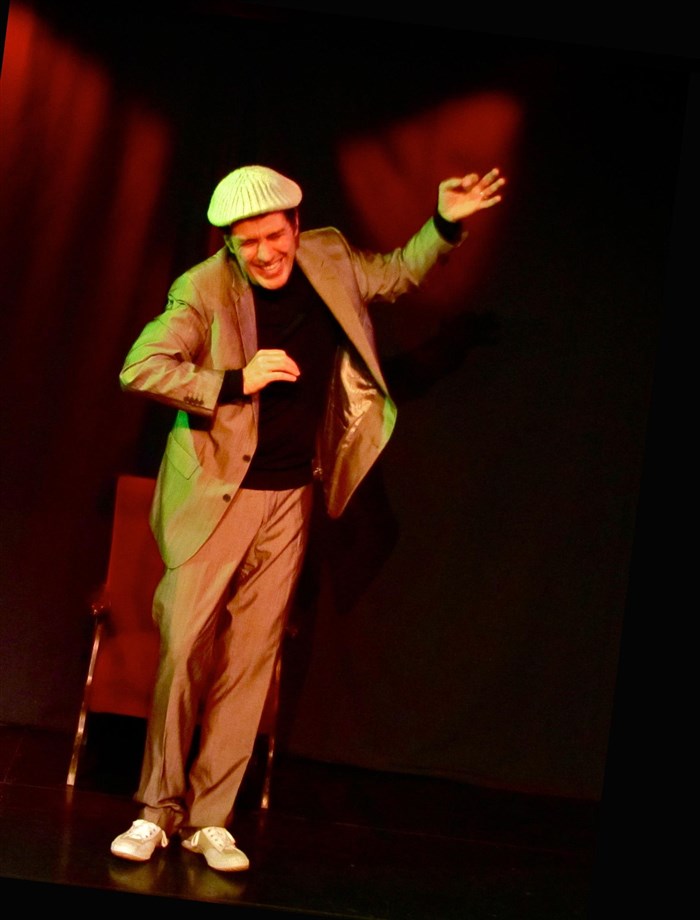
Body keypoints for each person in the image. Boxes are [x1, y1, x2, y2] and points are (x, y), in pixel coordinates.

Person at [109, 163, 506, 872]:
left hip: (290, 496)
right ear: (229, 244)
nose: (264, 253)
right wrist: (235, 380)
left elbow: (394, 275)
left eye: (273, 236)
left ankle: (209, 820)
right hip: (215, 494)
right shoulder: (203, 288)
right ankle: (155, 810)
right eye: (247, 243)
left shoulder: (328, 255)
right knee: (184, 648)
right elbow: (141, 366)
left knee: (252, 658)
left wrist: (444, 225)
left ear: (295, 224)